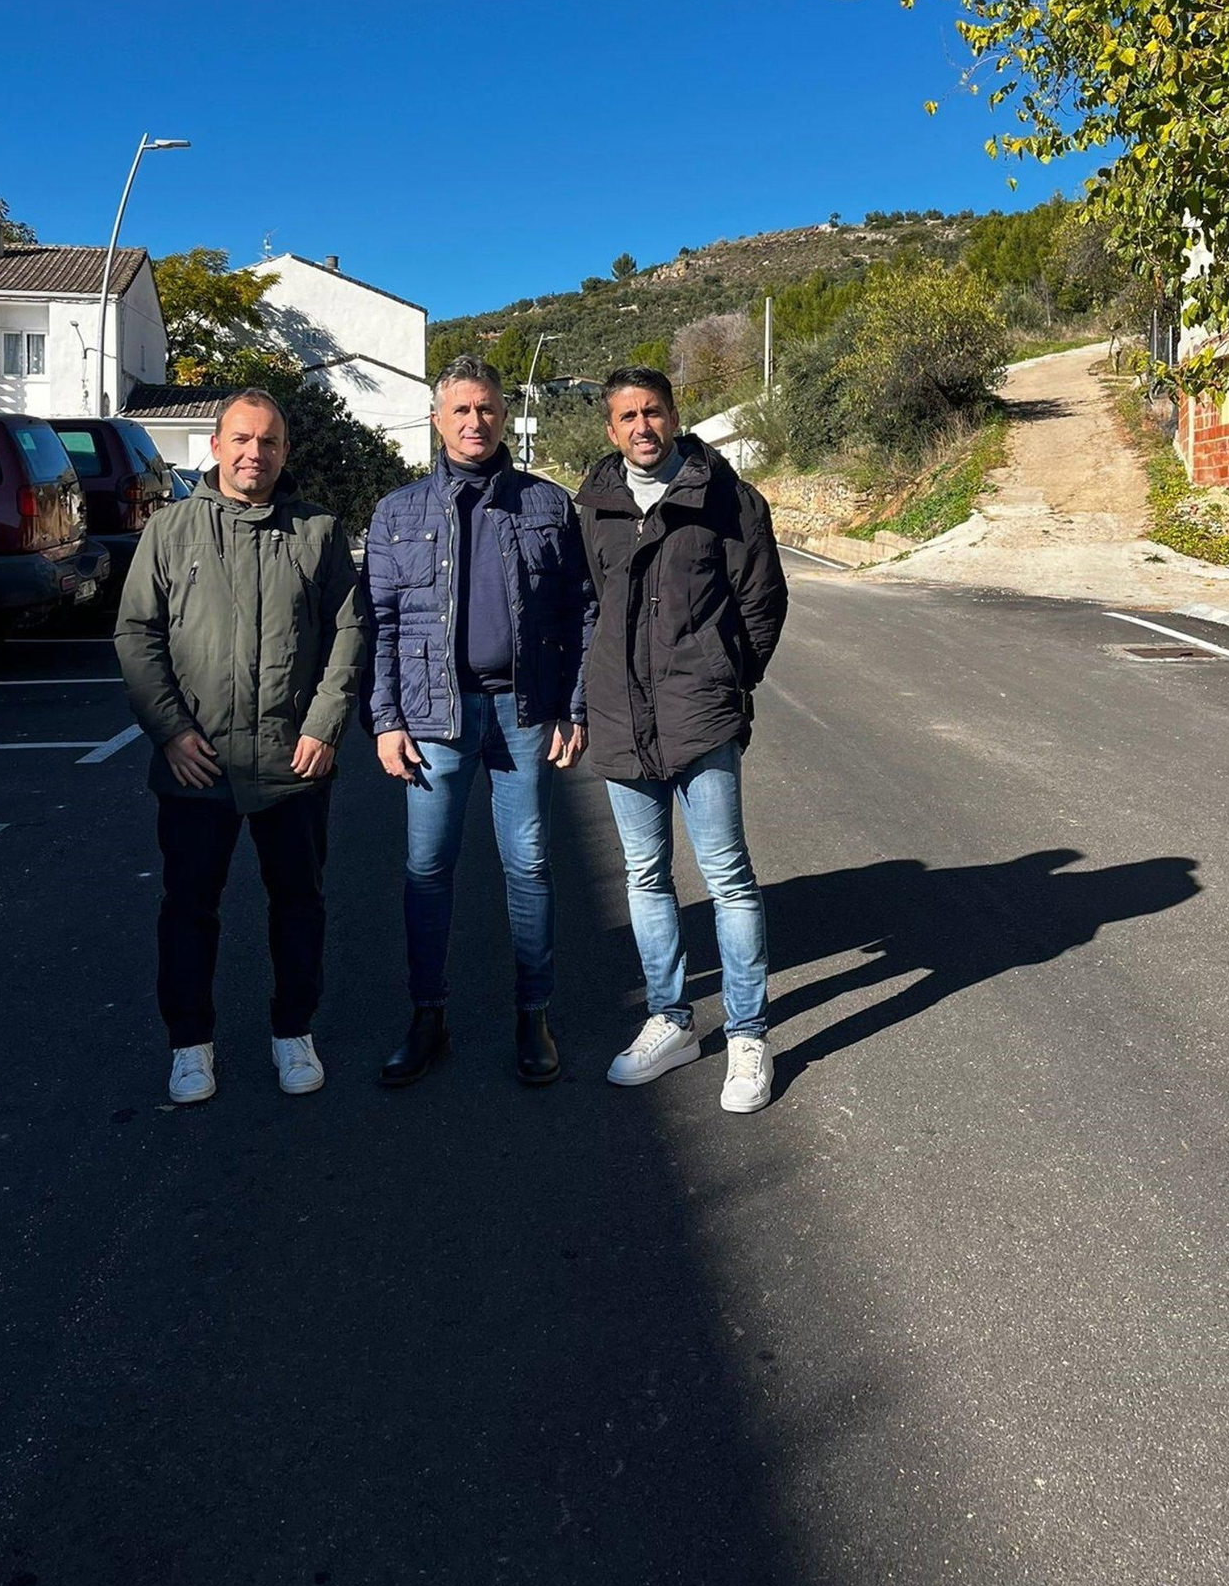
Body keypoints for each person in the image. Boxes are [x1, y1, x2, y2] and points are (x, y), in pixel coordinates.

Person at [115, 387, 367, 1106]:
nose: (256, 452)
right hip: (198, 767)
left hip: (292, 763)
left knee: (298, 902)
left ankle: (295, 1031)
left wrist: (323, 723)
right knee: (189, 907)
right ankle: (190, 1045)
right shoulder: (171, 530)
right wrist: (170, 729)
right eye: (243, 439)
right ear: (218, 445)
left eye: (271, 441)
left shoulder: (317, 530)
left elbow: (348, 633)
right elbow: (137, 634)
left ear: (286, 451)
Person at [363, 353, 596, 1088]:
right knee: (427, 870)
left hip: (523, 713)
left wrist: (571, 706)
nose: (475, 421)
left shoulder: (547, 504)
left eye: (487, 408)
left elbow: (580, 614)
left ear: (504, 415)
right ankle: (427, 1016)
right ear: (437, 419)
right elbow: (383, 625)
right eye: (460, 409)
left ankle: (534, 1015)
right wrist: (384, 719)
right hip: (434, 718)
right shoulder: (397, 512)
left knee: (527, 866)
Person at [575, 365, 788, 1114]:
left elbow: (762, 598)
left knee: (728, 876)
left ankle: (747, 1033)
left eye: (654, 411)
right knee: (645, 874)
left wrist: (726, 676)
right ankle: (670, 1019)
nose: (642, 426)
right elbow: (586, 608)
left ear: (674, 415)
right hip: (619, 717)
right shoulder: (594, 505)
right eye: (628, 415)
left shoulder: (726, 496)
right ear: (611, 427)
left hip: (702, 717)